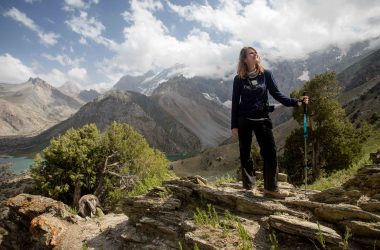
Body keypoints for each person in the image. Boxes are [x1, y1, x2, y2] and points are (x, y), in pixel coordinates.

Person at [231, 46, 309, 198]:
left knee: (270, 152)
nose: (256, 54)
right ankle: (249, 186)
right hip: (244, 120)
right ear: (245, 59)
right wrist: (234, 125)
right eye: (251, 53)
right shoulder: (238, 79)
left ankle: (271, 188)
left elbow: (277, 95)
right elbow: (235, 102)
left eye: (256, 52)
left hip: (262, 118)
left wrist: (296, 102)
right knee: (245, 153)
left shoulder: (265, 75)